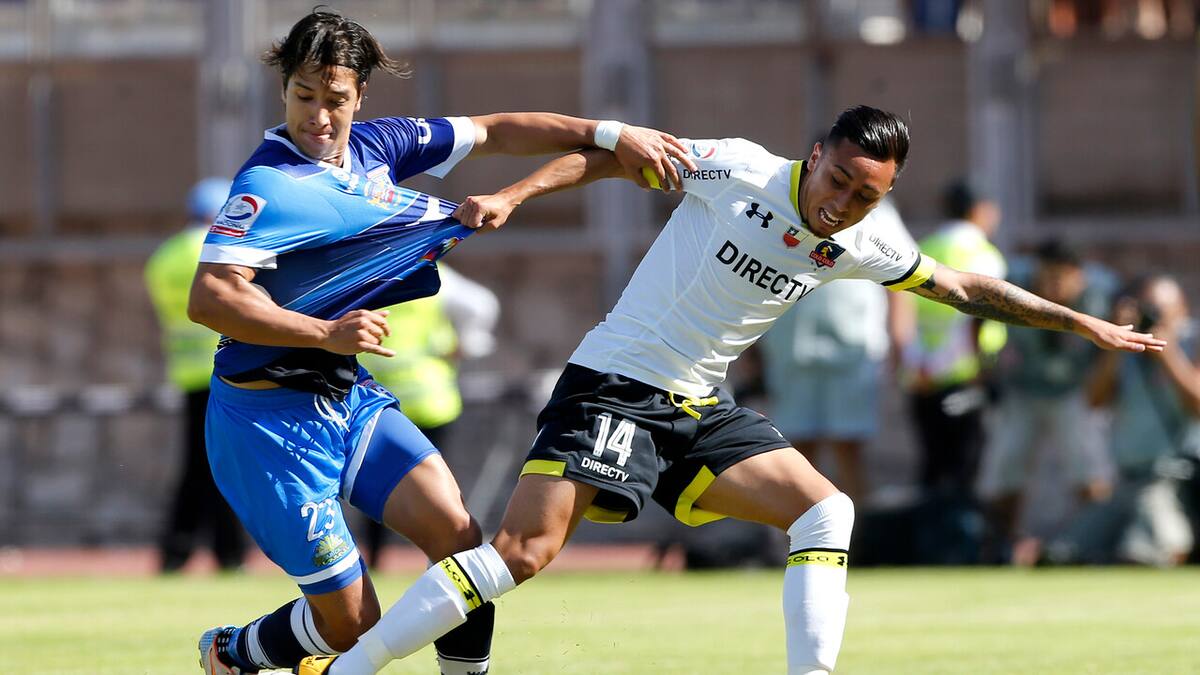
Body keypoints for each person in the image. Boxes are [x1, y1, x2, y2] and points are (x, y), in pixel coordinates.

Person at [294, 105, 1165, 675]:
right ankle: (349, 669)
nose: (844, 207)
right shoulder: (738, 167)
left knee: (828, 511)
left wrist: (1079, 321)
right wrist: (518, 191)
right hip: (617, 385)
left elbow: (967, 289)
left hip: (697, 407)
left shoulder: (860, 242)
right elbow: (610, 160)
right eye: (838, 182)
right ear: (814, 153)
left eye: (868, 197)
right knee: (523, 554)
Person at [187, 9, 694, 675]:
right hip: (265, 424)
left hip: (346, 400)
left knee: (462, 547)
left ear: (359, 96)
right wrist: (325, 332)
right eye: (302, 98)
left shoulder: (379, 146)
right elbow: (210, 296)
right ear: (283, 91)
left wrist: (611, 131)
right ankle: (231, 652)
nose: (317, 117)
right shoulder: (268, 185)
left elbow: (495, 131)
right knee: (350, 626)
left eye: (334, 100)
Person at [758, 197, 915, 503]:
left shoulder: (878, 210)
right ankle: (798, 544)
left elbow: (902, 276)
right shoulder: (783, 201)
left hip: (852, 351)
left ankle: (855, 547)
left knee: (848, 449)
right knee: (795, 453)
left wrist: (900, 341)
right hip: (792, 351)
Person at [1045, 274, 1200, 567]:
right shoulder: (1126, 349)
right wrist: (1117, 344)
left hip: (1172, 476)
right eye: (1146, 310)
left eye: (1160, 311)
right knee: (1064, 553)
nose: (1152, 319)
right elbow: (1094, 400)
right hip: (1126, 480)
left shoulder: (1193, 340)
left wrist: (1168, 352)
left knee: (1144, 554)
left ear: (1182, 309)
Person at [976, 239, 1115, 564]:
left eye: (1060, 277)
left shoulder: (1101, 295)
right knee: (1005, 471)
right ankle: (998, 547)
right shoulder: (1015, 285)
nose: (1051, 286)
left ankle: (1096, 542)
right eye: (1046, 277)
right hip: (1023, 389)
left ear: (1079, 276)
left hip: (1073, 391)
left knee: (1088, 471)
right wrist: (986, 368)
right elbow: (977, 319)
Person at [356, 266, 500, 568]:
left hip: (386, 402)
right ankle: (442, 561)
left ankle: (378, 560)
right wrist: (468, 345)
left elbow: (481, 305)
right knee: (436, 489)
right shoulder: (433, 272)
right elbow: (481, 305)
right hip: (427, 399)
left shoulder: (366, 270)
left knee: (378, 486)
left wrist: (467, 345)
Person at [146, 177, 248, 573]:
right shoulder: (215, 250)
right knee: (226, 466)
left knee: (195, 466)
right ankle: (229, 554)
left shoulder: (165, 256)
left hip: (187, 372)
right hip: (224, 370)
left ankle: (177, 550)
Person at [904, 179, 1006, 505]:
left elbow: (905, 311)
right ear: (979, 210)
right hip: (965, 375)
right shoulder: (982, 254)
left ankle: (928, 543)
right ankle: (956, 543)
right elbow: (978, 315)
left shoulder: (925, 247)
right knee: (965, 466)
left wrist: (913, 363)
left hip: (921, 374)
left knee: (932, 464)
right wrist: (982, 370)